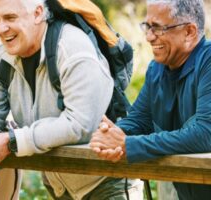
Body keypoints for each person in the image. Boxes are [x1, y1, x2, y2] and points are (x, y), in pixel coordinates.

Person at [0, 0, 143, 199]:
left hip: (107, 180)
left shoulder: (73, 48)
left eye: (10, 18)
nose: (1, 28)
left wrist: (9, 142)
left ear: (38, 13)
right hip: (58, 184)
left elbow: (79, 125)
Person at [89, 0, 211, 199]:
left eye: (158, 28)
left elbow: (205, 134)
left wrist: (129, 145)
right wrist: (112, 134)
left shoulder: (209, 61)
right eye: (147, 26)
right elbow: (140, 119)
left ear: (189, 32)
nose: (148, 37)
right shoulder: (157, 69)